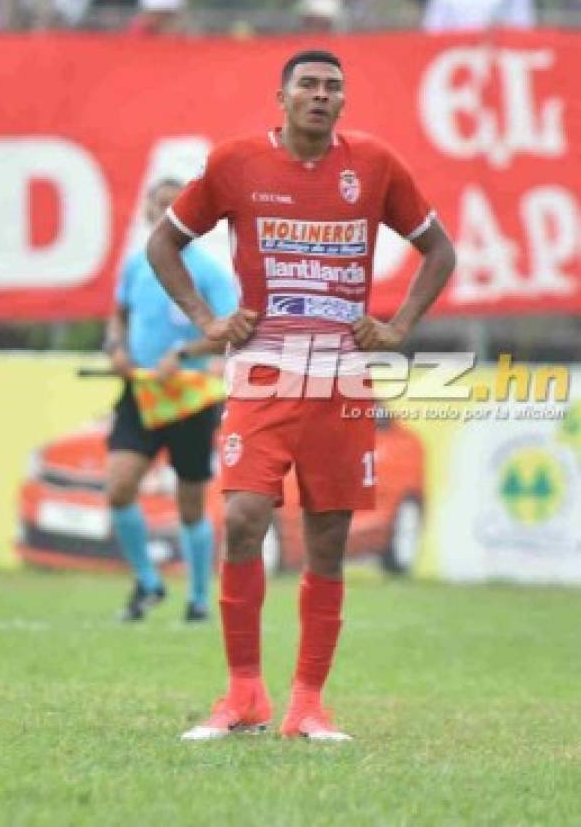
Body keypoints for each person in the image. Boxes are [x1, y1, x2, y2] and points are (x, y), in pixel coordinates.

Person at [147, 49, 456, 741]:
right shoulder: (235, 164)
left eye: (331, 88)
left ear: (342, 102)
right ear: (280, 98)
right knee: (247, 518)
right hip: (262, 370)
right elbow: (163, 245)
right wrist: (205, 320)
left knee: (327, 539)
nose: (320, 96)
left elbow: (440, 250)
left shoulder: (373, 164)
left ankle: (307, 706)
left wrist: (399, 324)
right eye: (308, 86)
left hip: (343, 377)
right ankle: (243, 696)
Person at [106, 178, 237, 622]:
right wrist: (116, 349)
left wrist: (184, 353)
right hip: (140, 391)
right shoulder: (134, 266)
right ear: (146, 210)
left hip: (190, 398)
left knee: (190, 503)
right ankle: (147, 582)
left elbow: (231, 332)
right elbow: (118, 318)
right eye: (158, 205)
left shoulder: (209, 272)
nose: (164, 214)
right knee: (119, 487)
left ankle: (199, 598)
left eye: (174, 207)